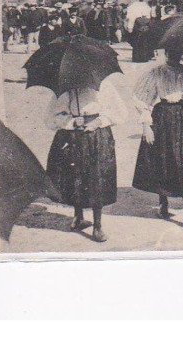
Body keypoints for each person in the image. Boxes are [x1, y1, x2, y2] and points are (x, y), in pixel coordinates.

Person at [45, 78, 127, 243]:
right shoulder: (65, 89)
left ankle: (97, 225)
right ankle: (79, 216)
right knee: (75, 176)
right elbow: (50, 118)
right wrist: (72, 121)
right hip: (74, 136)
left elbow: (120, 112)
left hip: (98, 136)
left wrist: (99, 121)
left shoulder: (104, 85)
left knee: (97, 179)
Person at [132, 50, 183, 227]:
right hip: (163, 117)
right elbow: (142, 99)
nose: (172, 56)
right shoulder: (156, 73)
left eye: (176, 51)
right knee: (163, 159)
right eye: (169, 52)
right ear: (165, 53)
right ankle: (163, 203)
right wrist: (146, 126)